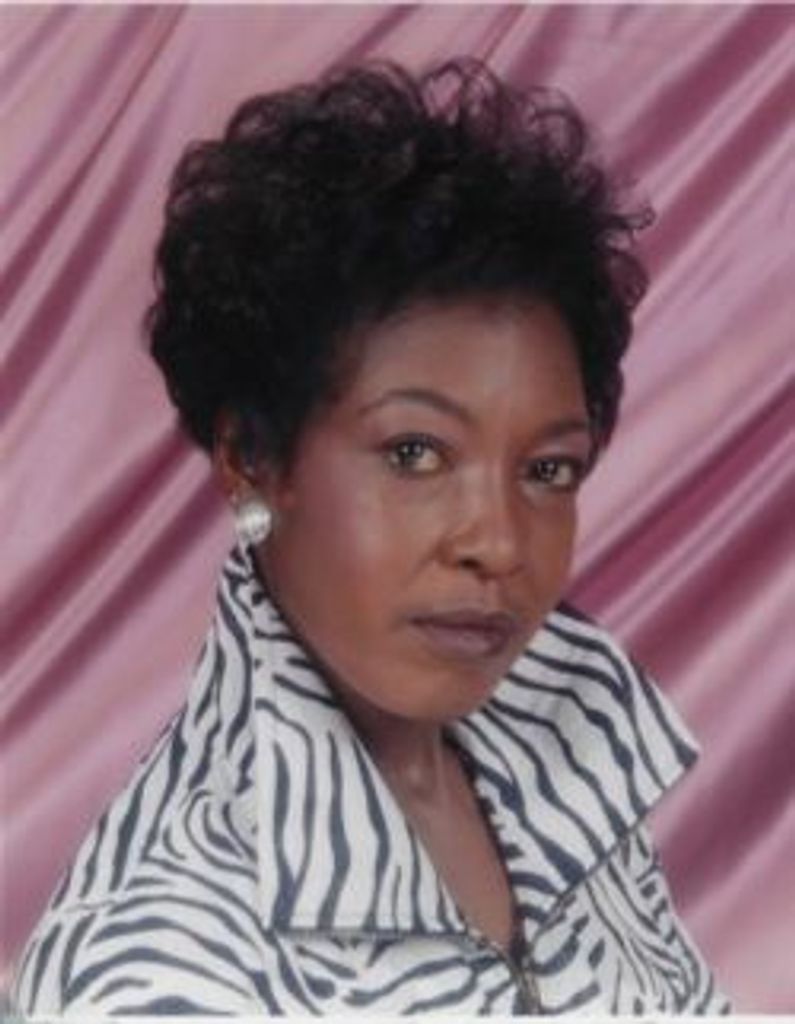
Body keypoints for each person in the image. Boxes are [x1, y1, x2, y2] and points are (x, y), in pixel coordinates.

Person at [12, 59, 729, 1015]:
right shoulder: (160, 956)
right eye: (415, 453)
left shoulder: (566, 762)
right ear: (252, 458)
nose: (498, 544)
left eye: (547, 470)